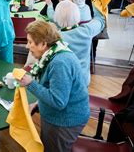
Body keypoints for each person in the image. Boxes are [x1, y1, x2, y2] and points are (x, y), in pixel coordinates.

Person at [16, 20, 89, 152]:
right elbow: (54, 87)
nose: (27, 46)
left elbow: (58, 101)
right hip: (59, 116)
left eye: (30, 42)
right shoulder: (55, 53)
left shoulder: (60, 63)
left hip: (64, 121)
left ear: (43, 43)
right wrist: (39, 103)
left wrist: (30, 84)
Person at [46, 0, 104, 85]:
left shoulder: (54, 37)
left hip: (61, 81)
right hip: (83, 81)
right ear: (77, 15)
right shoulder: (86, 31)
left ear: (56, 17)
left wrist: (50, 6)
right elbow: (100, 20)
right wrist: (95, 0)